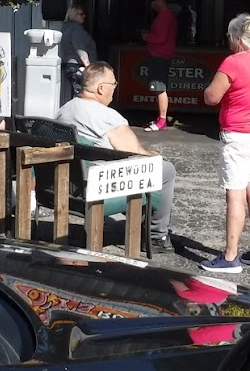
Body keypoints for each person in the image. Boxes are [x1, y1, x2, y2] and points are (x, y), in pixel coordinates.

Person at [56, 61, 176, 249]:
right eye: (113, 84)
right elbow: (135, 154)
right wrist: (152, 155)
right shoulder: (108, 117)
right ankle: (156, 235)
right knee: (166, 169)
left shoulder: (64, 110)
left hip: (65, 186)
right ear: (101, 88)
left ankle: (144, 224)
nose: (114, 88)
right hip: (98, 185)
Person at [200, 13, 250, 273]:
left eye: (230, 37)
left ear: (236, 38)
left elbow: (211, 96)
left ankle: (230, 256)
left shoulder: (232, 62)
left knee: (235, 194)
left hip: (239, 134)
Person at [140, 0, 178, 131]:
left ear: (160, 1)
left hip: (160, 56)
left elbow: (160, 38)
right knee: (159, 88)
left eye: (153, 2)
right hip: (163, 55)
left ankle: (162, 121)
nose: (152, 5)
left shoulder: (164, 16)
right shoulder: (168, 16)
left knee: (160, 88)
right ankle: (161, 119)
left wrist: (147, 37)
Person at [58, 5, 98, 102]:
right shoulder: (76, 29)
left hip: (69, 64)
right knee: (82, 92)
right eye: (81, 14)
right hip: (78, 65)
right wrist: (89, 67)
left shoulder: (65, 28)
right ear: (73, 15)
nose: (84, 16)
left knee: (78, 91)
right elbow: (80, 49)